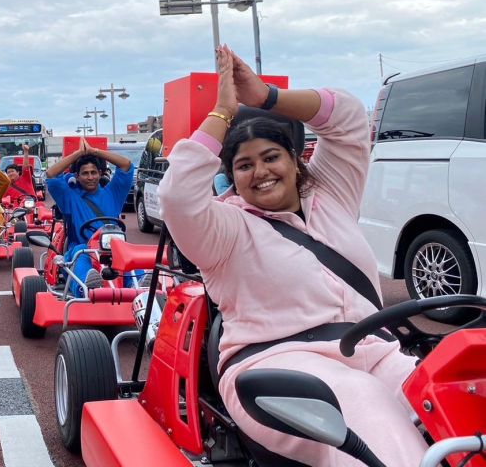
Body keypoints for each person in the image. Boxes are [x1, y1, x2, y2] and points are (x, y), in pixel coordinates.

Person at [158, 46, 427, 466]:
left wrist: (266, 96)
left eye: (270, 157)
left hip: (376, 352)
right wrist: (223, 111)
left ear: (295, 160)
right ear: (231, 177)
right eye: (244, 165)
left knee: (452, 394)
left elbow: (349, 116)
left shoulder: (331, 194)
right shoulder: (225, 228)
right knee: (365, 403)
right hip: (272, 367)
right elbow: (177, 196)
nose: (260, 172)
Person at [45, 138, 134, 297]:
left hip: (113, 249)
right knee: (80, 252)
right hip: (82, 249)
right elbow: (51, 174)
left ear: (100, 174)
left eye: (93, 172)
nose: (90, 177)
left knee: (127, 253)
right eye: (85, 173)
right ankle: (87, 288)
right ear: (77, 176)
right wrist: (78, 154)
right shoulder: (69, 197)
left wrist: (94, 151)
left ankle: (138, 284)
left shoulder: (113, 193)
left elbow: (126, 165)